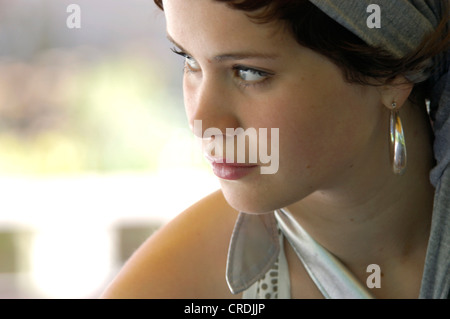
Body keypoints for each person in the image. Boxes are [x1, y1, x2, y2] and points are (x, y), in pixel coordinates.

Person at [101, 0, 450, 299]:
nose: (201, 120)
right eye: (188, 59)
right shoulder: (180, 286)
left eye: (249, 72)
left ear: (391, 73)